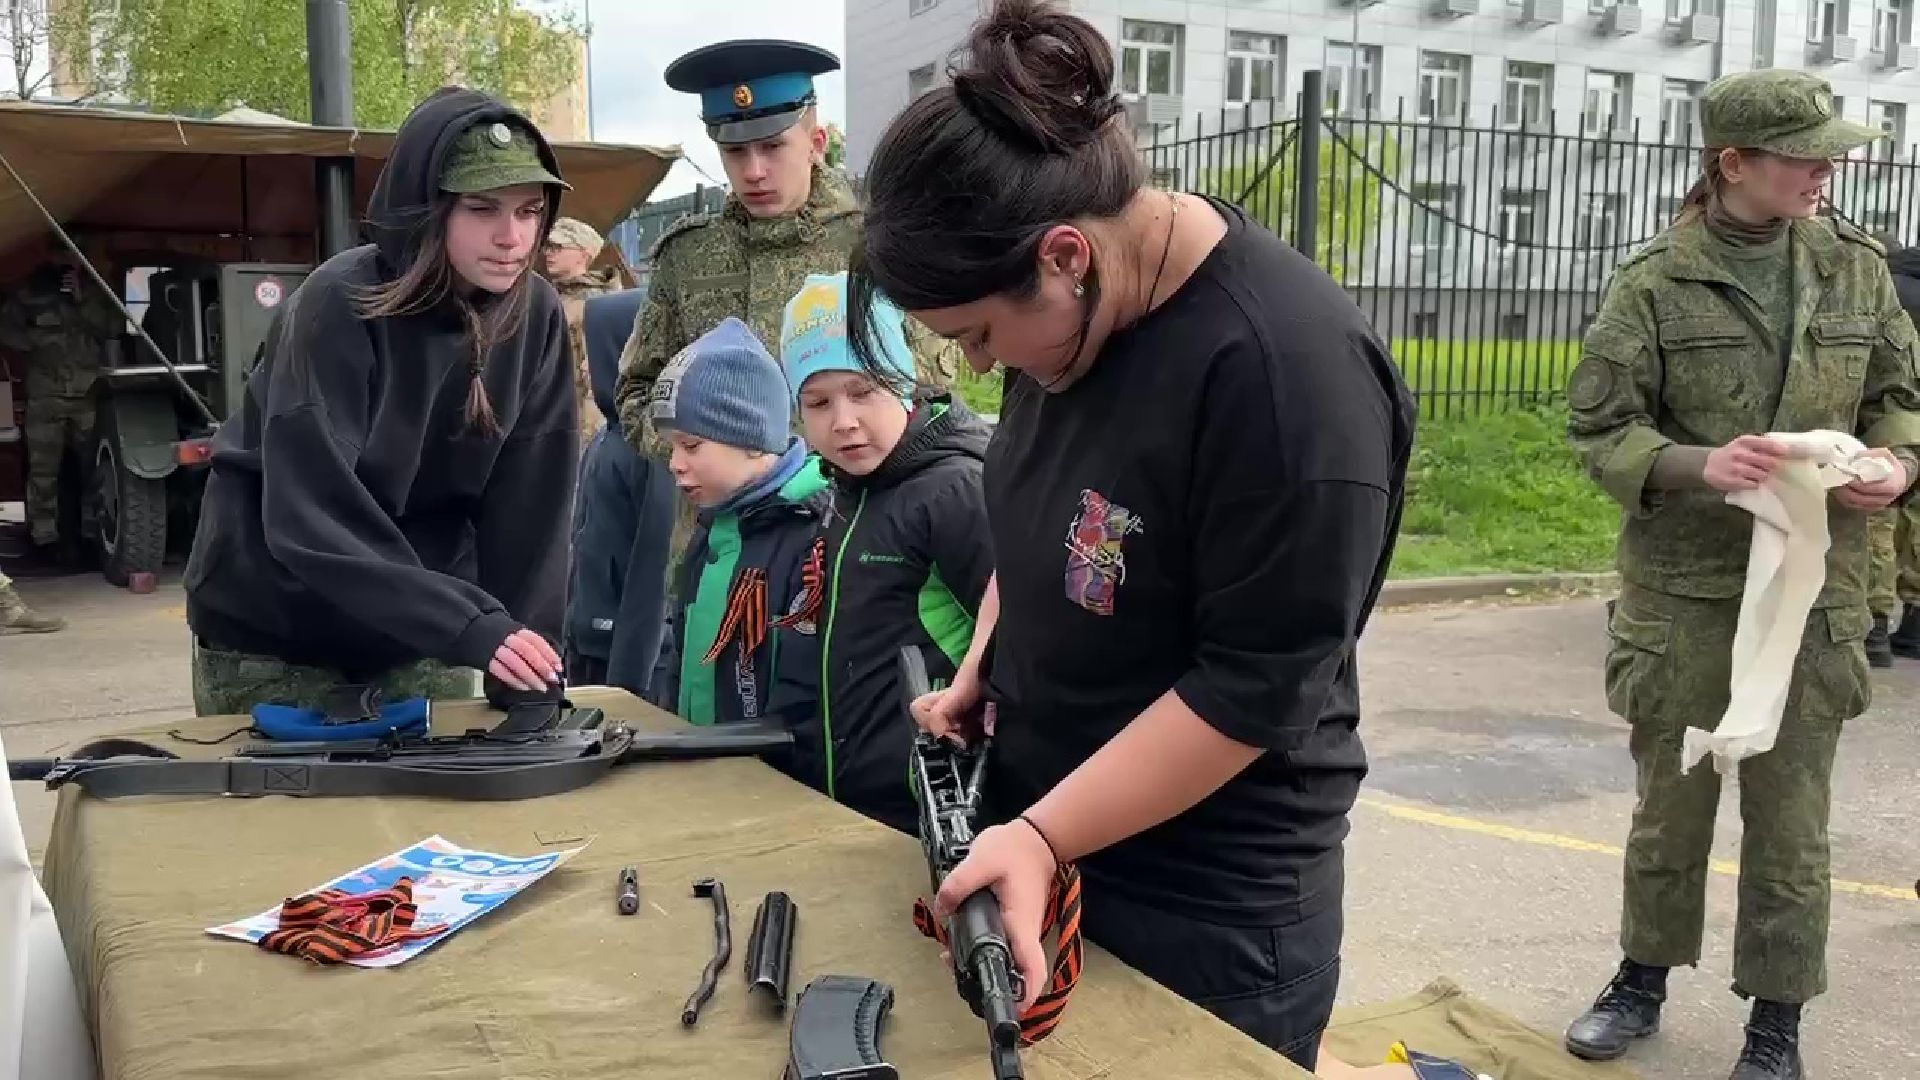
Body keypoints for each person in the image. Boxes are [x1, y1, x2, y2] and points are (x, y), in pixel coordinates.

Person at [841, 0, 1416, 1068]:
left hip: (1208, 906)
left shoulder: (1287, 381)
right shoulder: (1074, 317)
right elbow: (1048, 524)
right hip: (1047, 842)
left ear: (1064, 254)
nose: (978, 369)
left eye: (975, 335)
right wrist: (983, 665)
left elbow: (1255, 689)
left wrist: (1047, 833)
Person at [1562, 69, 1920, 1080]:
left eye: (1831, 153)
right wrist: (1693, 466)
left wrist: (1895, 464)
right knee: (1669, 810)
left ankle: (1776, 1023)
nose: (1829, 171)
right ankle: (1641, 976)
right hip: (1686, 600)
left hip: (1813, 597)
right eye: (1808, 155)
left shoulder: (1855, 269)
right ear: (1735, 164)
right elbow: (1599, 426)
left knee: (1791, 824)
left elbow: (1900, 396)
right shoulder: (1654, 282)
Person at [182, 88, 579, 717]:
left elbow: (533, 505)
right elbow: (313, 514)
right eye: (483, 209)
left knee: (438, 813)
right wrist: (470, 626)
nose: (513, 237)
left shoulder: (536, 314)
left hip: (420, 637)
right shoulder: (336, 304)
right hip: (272, 633)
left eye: (530, 211)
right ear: (429, 209)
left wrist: (528, 669)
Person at [610, 37, 960, 581]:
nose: (753, 171)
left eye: (773, 147)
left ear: (816, 141)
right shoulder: (688, 256)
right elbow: (637, 391)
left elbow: (930, 393)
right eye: (734, 152)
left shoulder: (877, 243)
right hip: (719, 550)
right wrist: (701, 449)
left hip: (850, 541)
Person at [778, 271, 994, 835]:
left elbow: (1023, 646)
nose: (843, 421)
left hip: (930, 810)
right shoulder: (844, 488)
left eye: (864, 391)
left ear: (902, 381)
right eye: (818, 402)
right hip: (851, 802)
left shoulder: (954, 491)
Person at [645, 318, 831, 752]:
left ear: (752, 438)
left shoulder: (812, 535)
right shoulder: (714, 526)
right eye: (671, 446)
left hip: (773, 785)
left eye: (691, 446)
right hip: (703, 766)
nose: (674, 462)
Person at [563, 287, 677, 695]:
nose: (583, 369)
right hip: (589, 647)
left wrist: (628, 681)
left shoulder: (652, 449)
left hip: (633, 664)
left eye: (590, 355)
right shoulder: (603, 439)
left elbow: (655, 573)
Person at [0, 254, 120, 561]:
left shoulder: (95, 290)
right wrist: (36, 343)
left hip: (87, 392)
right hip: (45, 393)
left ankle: (93, 534)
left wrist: (82, 299)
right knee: (43, 471)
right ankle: (44, 538)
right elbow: (6, 327)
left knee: (93, 468)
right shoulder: (32, 289)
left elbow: (113, 326)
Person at [1868, 230, 1920, 661]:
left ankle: (1875, 626)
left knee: (1878, 518)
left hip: (1896, 409)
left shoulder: (1888, 288)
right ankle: (1915, 623)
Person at [544, 216, 624, 453]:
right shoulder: (550, 299)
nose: (549, 253)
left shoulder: (593, 304)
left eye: (558, 247)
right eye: (548, 246)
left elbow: (596, 379)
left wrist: (588, 444)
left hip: (575, 427)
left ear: (584, 253)